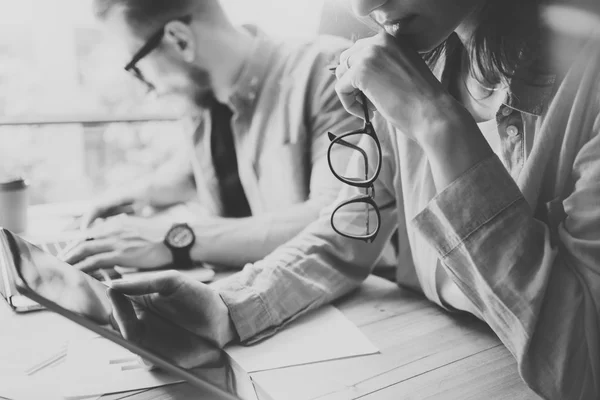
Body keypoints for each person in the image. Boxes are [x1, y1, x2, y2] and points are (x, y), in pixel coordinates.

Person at [109, 0, 600, 398]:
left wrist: (436, 121)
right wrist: (228, 306)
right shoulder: (410, 61)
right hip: (422, 359)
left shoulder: (589, 78)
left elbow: (582, 364)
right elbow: (344, 235)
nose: (364, 7)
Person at [64, 0, 364, 271]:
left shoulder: (329, 72)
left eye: (136, 67)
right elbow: (188, 178)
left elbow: (339, 220)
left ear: (179, 40)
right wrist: (126, 202)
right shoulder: (202, 102)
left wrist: (176, 238)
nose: (147, 88)